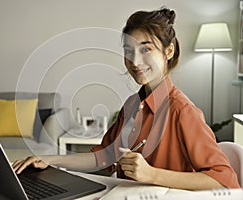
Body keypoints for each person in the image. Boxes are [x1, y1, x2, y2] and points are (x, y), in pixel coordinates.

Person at [13, 7, 240, 190]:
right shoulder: (133, 104)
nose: (134, 61)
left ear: (168, 51)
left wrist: (152, 174)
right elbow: (103, 156)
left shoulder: (183, 111)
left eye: (145, 49)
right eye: (128, 51)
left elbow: (224, 179)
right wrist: (49, 160)